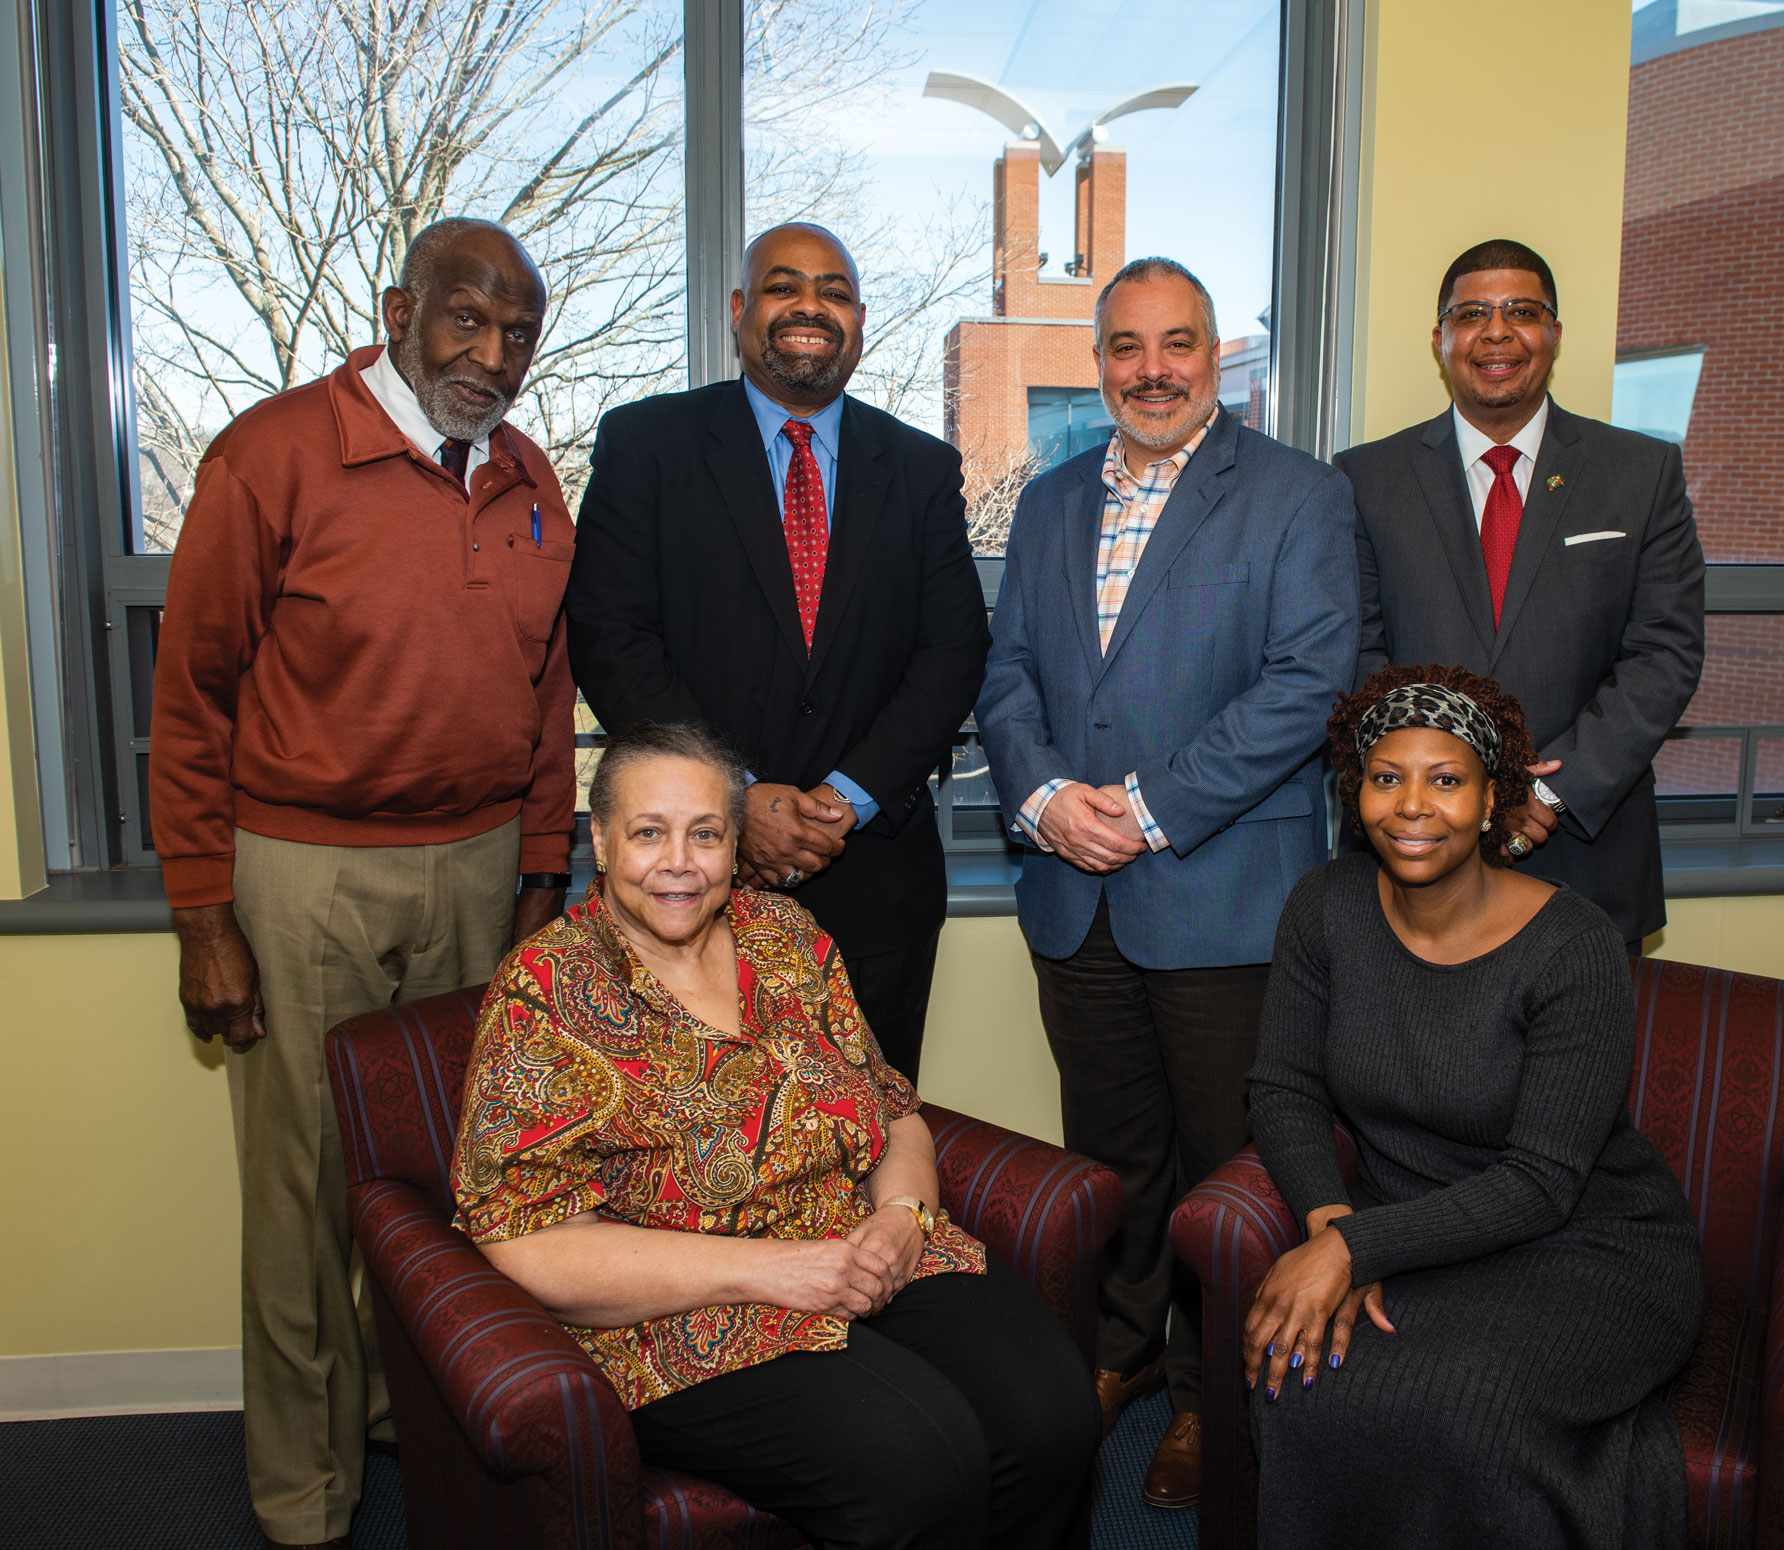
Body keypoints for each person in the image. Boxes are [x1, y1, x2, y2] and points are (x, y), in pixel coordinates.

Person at [149, 217, 577, 1549]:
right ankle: (299, 1489)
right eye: (465, 318)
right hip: (304, 872)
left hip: (475, 864)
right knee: (306, 1186)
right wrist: (204, 912)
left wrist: (541, 874)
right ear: (399, 309)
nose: (490, 353)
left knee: (450, 1176)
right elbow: (193, 695)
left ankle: (411, 1411)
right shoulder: (273, 453)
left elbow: (548, 696)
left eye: (517, 333)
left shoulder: (525, 479)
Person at [452, 721, 1100, 1549]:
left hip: (864, 1249)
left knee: (1053, 1414)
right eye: (649, 833)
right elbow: (525, 1240)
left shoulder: (786, 937)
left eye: (706, 834)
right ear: (604, 844)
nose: (679, 861)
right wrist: (776, 1271)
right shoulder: (544, 990)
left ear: (733, 846)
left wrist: (902, 1219)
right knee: (916, 1463)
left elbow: (893, 1107)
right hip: (686, 1314)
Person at [976, 255, 1358, 1507]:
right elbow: (1010, 675)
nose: (1151, 368)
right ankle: (1124, 1353)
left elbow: (1305, 686)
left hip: (1218, 895)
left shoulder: (1297, 496)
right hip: (1072, 895)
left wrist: (1141, 812)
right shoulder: (1045, 501)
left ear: (1215, 353)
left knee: (1223, 1169)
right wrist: (1041, 799)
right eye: (1125, 345)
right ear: (1096, 361)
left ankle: (1216, 1394)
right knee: (1111, 1150)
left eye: (1177, 342)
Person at [1243, 664, 1703, 1549]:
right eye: (1387, 778)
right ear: (1357, 793)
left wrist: (1354, 1247)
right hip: (1419, 1232)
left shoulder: (1575, 946)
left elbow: (1542, 1181)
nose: (1412, 805)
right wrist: (1331, 1218)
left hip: (1590, 1243)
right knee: (1299, 1379)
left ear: (1495, 799)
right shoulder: (1324, 908)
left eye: (1446, 779)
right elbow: (1283, 1088)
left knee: (1467, 1411)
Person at [564, 222, 989, 1082]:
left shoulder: (921, 469)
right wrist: (737, 798)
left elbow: (953, 651)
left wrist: (846, 797)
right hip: (687, 879)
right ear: (738, 310)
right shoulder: (648, 446)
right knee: (695, 1146)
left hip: (875, 880)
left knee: (869, 1133)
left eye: (833, 291)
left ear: (860, 319)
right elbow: (612, 639)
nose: (810, 307)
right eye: (784, 286)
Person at [1336, 237, 1704, 951]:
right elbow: (1359, 657)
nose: (1496, 332)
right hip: (1414, 851)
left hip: (1586, 851)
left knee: (1580, 1063)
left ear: (1555, 334)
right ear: (1440, 339)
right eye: (1471, 313)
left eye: (1521, 311)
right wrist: (1448, 791)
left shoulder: (1641, 472)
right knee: (1405, 1062)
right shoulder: (1364, 480)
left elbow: (1666, 654)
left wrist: (1544, 793)